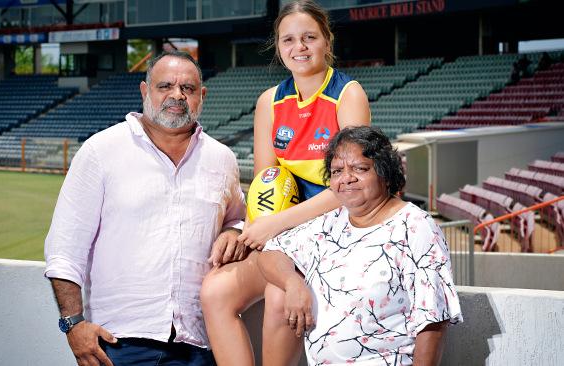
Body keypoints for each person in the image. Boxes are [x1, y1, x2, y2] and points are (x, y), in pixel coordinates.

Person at [44, 50, 246, 366]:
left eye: (188, 89)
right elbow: (64, 250)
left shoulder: (222, 160)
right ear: (144, 91)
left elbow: (238, 218)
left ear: (202, 96)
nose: (177, 95)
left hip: (200, 343)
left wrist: (234, 231)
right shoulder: (101, 151)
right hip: (120, 344)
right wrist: (73, 325)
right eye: (165, 86)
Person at [200, 1, 370, 365]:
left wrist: (275, 225)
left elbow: (352, 187)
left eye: (310, 37)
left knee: (280, 296)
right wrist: (251, 229)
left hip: (339, 229)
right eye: (288, 40)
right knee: (215, 290)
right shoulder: (270, 103)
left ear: (327, 41)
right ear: (278, 48)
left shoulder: (348, 94)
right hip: (289, 232)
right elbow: (268, 183)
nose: (300, 47)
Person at [258, 126, 463, 365]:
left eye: (360, 168)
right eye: (337, 171)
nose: (346, 178)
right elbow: (272, 252)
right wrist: (292, 283)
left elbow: (432, 319)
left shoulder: (416, 227)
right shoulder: (331, 222)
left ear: (385, 173)